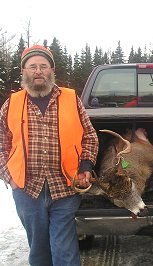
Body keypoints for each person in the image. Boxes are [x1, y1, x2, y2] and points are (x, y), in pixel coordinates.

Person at [0, 45, 99, 266]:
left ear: (52, 70)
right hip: (27, 188)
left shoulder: (71, 99)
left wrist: (84, 166)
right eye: (32, 66)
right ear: (23, 71)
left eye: (43, 66)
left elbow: (90, 137)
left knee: (63, 247)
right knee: (38, 248)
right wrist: (9, 176)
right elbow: (1, 142)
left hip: (64, 186)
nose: (38, 71)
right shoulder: (12, 103)